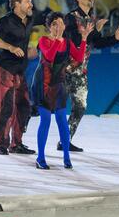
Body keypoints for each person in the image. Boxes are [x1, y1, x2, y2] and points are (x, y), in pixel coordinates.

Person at [63, 0, 119, 151]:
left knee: (80, 106)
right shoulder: (71, 17)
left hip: (81, 71)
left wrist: (114, 38)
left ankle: (65, 140)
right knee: (50, 105)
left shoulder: (91, 20)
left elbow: (98, 43)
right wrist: (89, 33)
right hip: (66, 69)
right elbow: (71, 41)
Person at [31, 12, 91, 170]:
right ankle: (40, 158)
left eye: (61, 23)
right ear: (49, 27)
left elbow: (78, 57)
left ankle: (66, 157)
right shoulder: (43, 40)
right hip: (43, 83)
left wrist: (84, 39)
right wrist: (57, 40)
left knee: (62, 121)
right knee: (45, 119)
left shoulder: (68, 42)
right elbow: (49, 57)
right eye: (54, 24)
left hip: (59, 84)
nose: (58, 27)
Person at [0, 0, 36, 156]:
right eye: (27, 1)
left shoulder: (29, 19)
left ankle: (17, 143)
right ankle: (1, 143)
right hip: (4, 68)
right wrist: (10, 47)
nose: (31, 4)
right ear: (17, 4)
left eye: (30, 1)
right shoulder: (6, 21)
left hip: (20, 70)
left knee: (24, 107)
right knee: (6, 108)